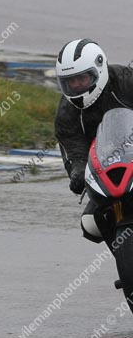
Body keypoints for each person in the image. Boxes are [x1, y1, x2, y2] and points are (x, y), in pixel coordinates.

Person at [54, 39, 133, 244]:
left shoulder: (125, 80)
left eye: (82, 78)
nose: (77, 85)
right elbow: (73, 148)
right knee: (91, 223)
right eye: (70, 81)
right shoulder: (66, 113)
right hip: (105, 174)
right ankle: (123, 261)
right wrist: (77, 172)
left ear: (99, 70)